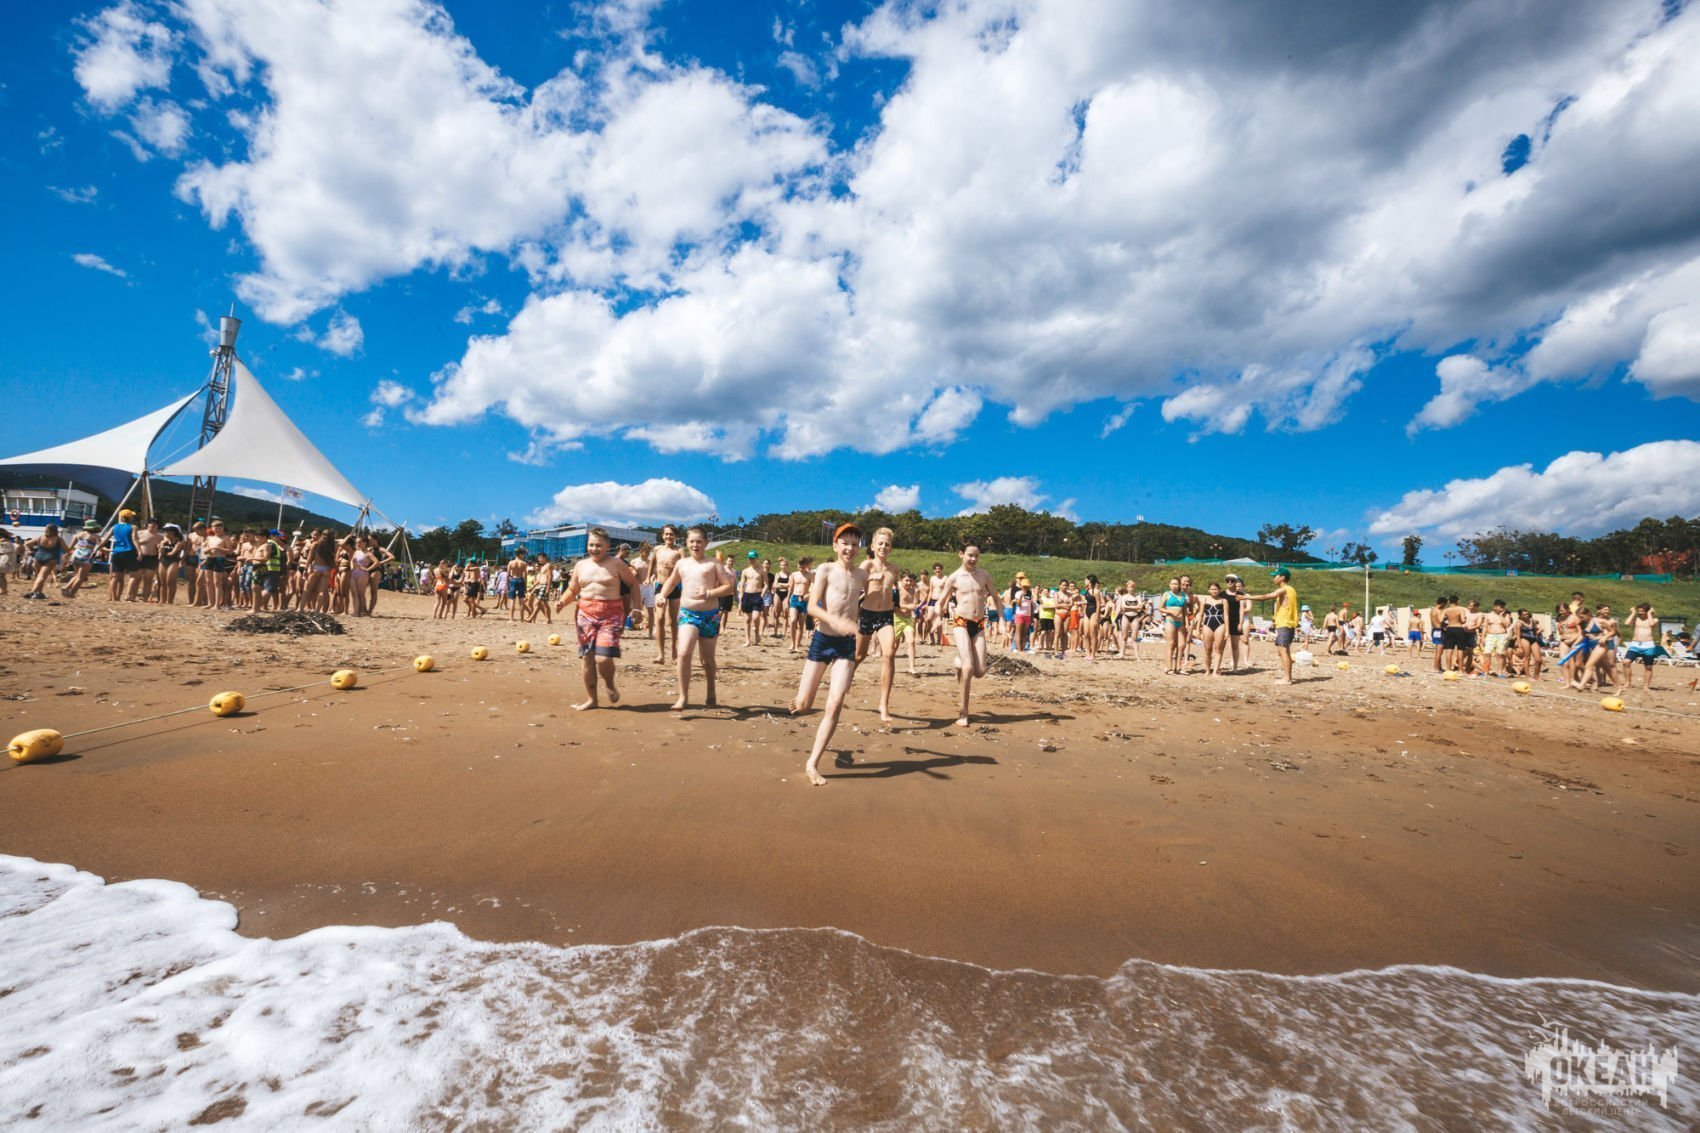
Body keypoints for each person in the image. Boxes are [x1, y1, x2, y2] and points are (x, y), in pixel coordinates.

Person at [793, 523, 868, 786]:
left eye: (855, 544)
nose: (850, 548)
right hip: (823, 639)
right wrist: (835, 621)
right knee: (803, 706)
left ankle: (812, 763)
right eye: (845, 543)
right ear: (835, 545)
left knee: (835, 703)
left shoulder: (862, 575)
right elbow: (812, 607)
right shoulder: (825, 570)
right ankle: (800, 700)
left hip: (846, 645)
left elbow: (869, 598)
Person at [648, 528, 735, 711]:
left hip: (710, 616)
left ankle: (711, 689)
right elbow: (671, 582)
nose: (695, 545)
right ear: (686, 543)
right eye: (692, 541)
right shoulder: (682, 564)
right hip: (688, 614)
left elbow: (728, 587)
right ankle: (683, 696)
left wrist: (709, 593)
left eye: (699, 541)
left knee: (707, 660)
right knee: (683, 653)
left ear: (706, 543)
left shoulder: (713, 564)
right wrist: (662, 595)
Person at [556, 527, 640, 711]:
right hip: (585, 614)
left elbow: (633, 584)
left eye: (598, 545)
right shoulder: (580, 565)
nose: (594, 549)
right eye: (591, 545)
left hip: (611, 614)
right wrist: (562, 601)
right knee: (587, 657)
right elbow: (573, 589)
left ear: (607, 546)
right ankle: (591, 699)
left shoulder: (617, 564)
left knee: (603, 658)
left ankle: (609, 684)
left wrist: (637, 608)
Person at [940, 539, 1002, 726]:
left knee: (980, 671)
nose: (973, 559)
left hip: (979, 624)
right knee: (968, 668)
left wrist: (1002, 620)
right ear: (961, 554)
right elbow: (941, 601)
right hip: (961, 622)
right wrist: (935, 617)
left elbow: (997, 598)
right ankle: (963, 712)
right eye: (970, 555)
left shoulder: (984, 575)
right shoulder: (954, 577)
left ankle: (958, 662)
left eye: (976, 555)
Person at [855, 527, 901, 722]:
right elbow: (853, 585)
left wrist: (901, 607)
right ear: (873, 546)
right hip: (867, 613)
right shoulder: (867, 565)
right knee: (859, 655)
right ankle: (845, 679)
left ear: (891, 548)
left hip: (886, 616)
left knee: (889, 654)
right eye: (880, 543)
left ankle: (884, 703)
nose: (883, 547)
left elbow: (894, 593)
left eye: (887, 544)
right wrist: (869, 578)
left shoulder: (894, 569)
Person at [1243, 570, 1300, 684]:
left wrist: (1245, 598)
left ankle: (1287, 678)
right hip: (1286, 624)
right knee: (1283, 651)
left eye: (1275, 576)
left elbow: (1265, 596)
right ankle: (1288, 676)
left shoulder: (1284, 589)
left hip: (1285, 624)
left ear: (1282, 577)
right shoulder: (1291, 589)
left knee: (1283, 651)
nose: (1273, 578)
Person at [651, 525, 684, 664]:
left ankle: (674, 651)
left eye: (671, 534)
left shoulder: (679, 550)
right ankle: (660, 655)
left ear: (675, 536)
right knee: (659, 618)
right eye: (666, 534)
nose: (668, 536)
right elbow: (652, 562)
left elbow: (684, 566)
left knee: (673, 620)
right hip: (660, 586)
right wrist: (648, 577)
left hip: (675, 587)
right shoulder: (657, 549)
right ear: (662, 535)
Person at [1623, 603, 1666, 688]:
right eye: (1639, 611)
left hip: (1648, 645)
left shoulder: (1654, 620)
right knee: (1626, 662)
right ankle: (1627, 683)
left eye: (1642, 611)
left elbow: (1652, 624)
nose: (1640, 613)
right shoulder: (1636, 619)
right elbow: (1626, 623)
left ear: (1647, 611)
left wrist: (1650, 613)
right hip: (1635, 644)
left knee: (1648, 666)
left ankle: (1646, 686)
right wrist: (1633, 613)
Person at [1196, 581, 1229, 676]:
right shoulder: (1204, 600)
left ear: (1219, 590)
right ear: (1209, 590)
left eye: (1216, 589)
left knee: (1218, 649)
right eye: (1212, 589)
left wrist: (1227, 631)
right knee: (1207, 649)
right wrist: (1197, 629)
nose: (1214, 591)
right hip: (1207, 624)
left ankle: (1215, 671)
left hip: (1220, 624)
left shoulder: (1223, 600)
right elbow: (1201, 615)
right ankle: (1207, 670)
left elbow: (1226, 616)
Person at [23, 524, 65, 599]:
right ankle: (33, 592)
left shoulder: (40, 537)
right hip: (50, 558)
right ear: (55, 530)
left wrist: (31, 550)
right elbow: (67, 549)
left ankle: (39, 593)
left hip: (38, 557)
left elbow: (26, 543)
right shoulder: (58, 539)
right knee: (42, 576)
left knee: (38, 576)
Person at [1159, 577, 1188, 674]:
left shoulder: (1183, 595)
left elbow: (1185, 611)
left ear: (1179, 585)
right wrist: (1170, 612)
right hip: (1170, 620)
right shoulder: (1167, 594)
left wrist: (1187, 623)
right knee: (1171, 643)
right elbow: (1160, 608)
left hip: (1181, 622)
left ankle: (1178, 667)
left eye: (1176, 584)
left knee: (1182, 645)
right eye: (1172, 584)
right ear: (1169, 585)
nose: (1174, 585)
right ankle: (1169, 667)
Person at [738, 550, 766, 646]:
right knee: (747, 619)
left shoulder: (762, 570)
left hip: (757, 595)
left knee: (755, 617)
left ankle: (757, 632)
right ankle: (747, 640)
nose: (751, 560)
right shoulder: (745, 571)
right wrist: (741, 596)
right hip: (747, 595)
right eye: (750, 558)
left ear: (757, 558)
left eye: (753, 558)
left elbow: (766, 584)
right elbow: (742, 585)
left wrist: (762, 595)